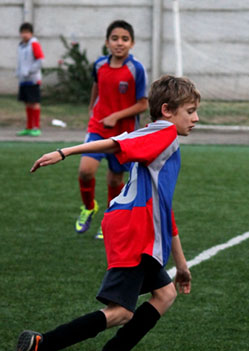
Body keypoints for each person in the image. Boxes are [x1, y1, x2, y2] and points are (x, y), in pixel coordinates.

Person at [2, 75, 200, 351]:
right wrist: (65, 152)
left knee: (165, 294)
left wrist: (182, 264)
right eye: (190, 110)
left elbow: (164, 208)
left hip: (140, 228)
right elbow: (117, 143)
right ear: (167, 110)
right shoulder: (163, 134)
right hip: (134, 231)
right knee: (121, 312)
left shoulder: (165, 140)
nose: (196, 118)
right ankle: (39, 345)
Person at [76, 20, 149, 240]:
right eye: (115, 38)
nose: (119, 43)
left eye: (125, 39)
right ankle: (89, 207)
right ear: (107, 42)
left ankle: (110, 218)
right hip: (98, 127)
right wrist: (92, 108)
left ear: (132, 43)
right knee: (85, 170)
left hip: (123, 132)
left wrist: (116, 116)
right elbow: (97, 86)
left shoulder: (135, 69)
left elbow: (143, 103)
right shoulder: (99, 65)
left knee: (115, 179)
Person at [16, 22, 44, 137]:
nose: (24, 35)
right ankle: (28, 127)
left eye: (27, 32)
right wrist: (19, 72)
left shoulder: (34, 44)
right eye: (22, 32)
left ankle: (36, 127)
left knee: (34, 103)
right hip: (23, 79)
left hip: (33, 79)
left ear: (31, 33)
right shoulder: (21, 45)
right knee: (27, 103)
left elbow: (40, 60)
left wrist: (30, 71)